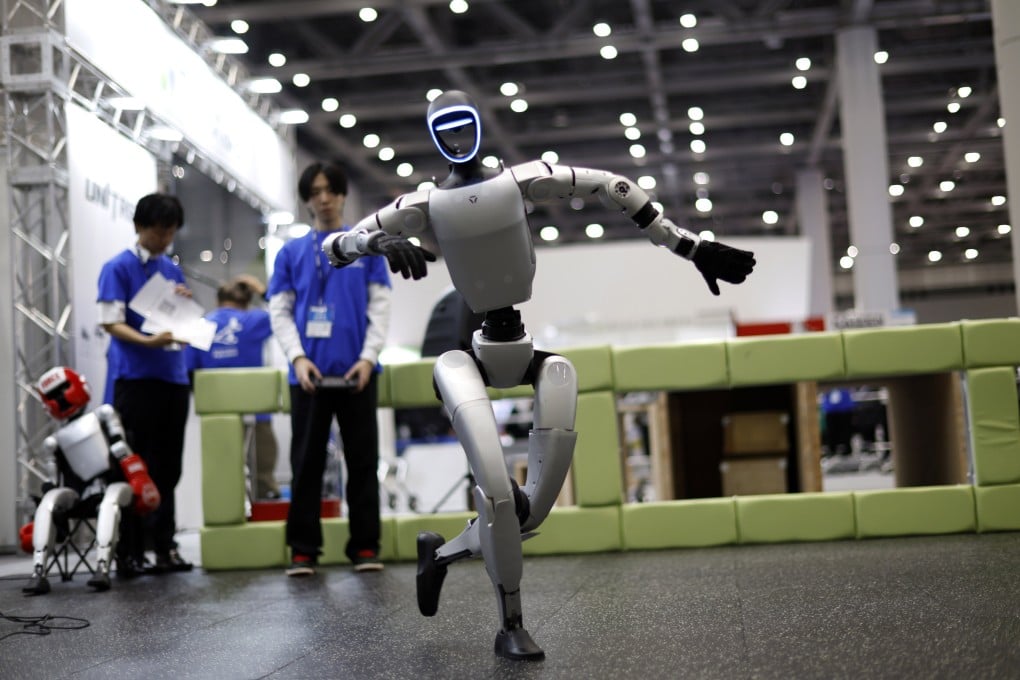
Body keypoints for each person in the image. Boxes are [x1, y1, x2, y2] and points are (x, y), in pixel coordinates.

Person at [321, 90, 755, 660]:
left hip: (525, 348)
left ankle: (441, 555)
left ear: (479, 126)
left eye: (463, 125)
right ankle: (511, 624)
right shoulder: (423, 204)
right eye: (445, 129)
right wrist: (373, 240)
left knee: (527, 509)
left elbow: (612, 186)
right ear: (433, 137)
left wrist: (688, 245)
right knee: (500, 496)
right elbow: (333, 247)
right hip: (465, 358)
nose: (457, 139)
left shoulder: (521, 180)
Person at [267, 161, 393, 576]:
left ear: (341, 195)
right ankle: (303, 550)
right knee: (305, 465)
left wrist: (368, 357)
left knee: (363, 464)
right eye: (315, 192)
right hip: (309, 377)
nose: (323, 198)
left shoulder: (365, 246)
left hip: (358, 374)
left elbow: (380, 305)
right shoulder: (291, 253)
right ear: (307, 200)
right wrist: (297, 357)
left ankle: (365, 547)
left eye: (330, 190)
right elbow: (280, 311)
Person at [97, 192, 194, 576]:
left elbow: (180, 328)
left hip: (172, 378)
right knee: (133, 466)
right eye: (159, 231)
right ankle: (129, 552)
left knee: (169, 468)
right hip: (135, 379)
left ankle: (165, 546)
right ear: (140, 227)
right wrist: (147, 341)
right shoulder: (117, 268)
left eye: (170, 232)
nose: (165, 238)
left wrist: (184, 308)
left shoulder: (172, 271)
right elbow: (110, 321)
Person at [21, 366, 160, 594]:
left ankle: (102, 568)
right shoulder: (53, 442)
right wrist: (42, 518)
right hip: (80, 496)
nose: (61, 397)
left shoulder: (104, 415)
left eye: (63, 389)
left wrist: (138, 477)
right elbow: (52, 481)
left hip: (113, 487)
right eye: (54, 394)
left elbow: (121, 449)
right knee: (49, 499)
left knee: (110, 499)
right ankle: (38, 571)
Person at [186, 274, 280, 499]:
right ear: (246, 301)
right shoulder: (254, 321)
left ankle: (226, 508)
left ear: (218, 300)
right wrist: (262, 290)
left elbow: (189, 369)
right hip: (257, 409)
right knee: (262, 473)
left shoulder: (201, 326)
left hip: (216, 412)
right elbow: (282, 312)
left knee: (222, 472)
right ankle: (265, 502)